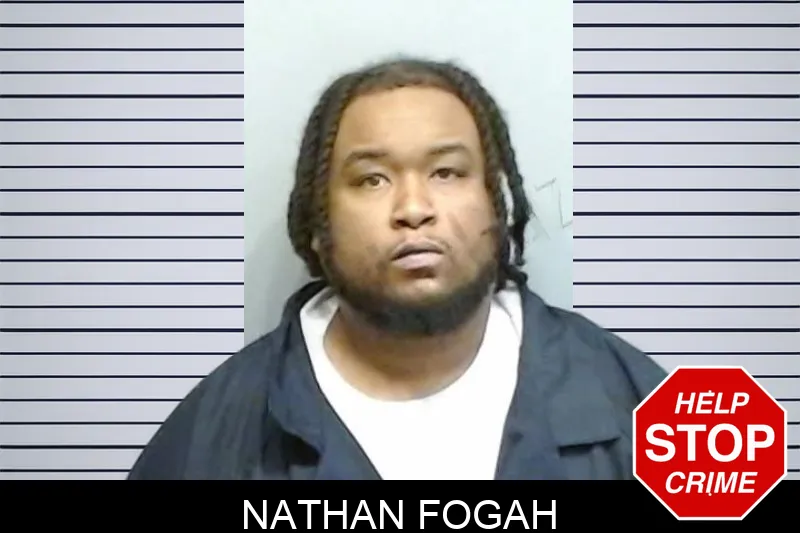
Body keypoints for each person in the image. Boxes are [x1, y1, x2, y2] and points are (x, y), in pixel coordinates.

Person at [128, 57, 667, 480]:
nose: (413, 208)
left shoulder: (643, 405)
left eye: (447, 172)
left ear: (495, 208)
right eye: (372, 179)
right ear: (318, 223)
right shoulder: (212, 438)